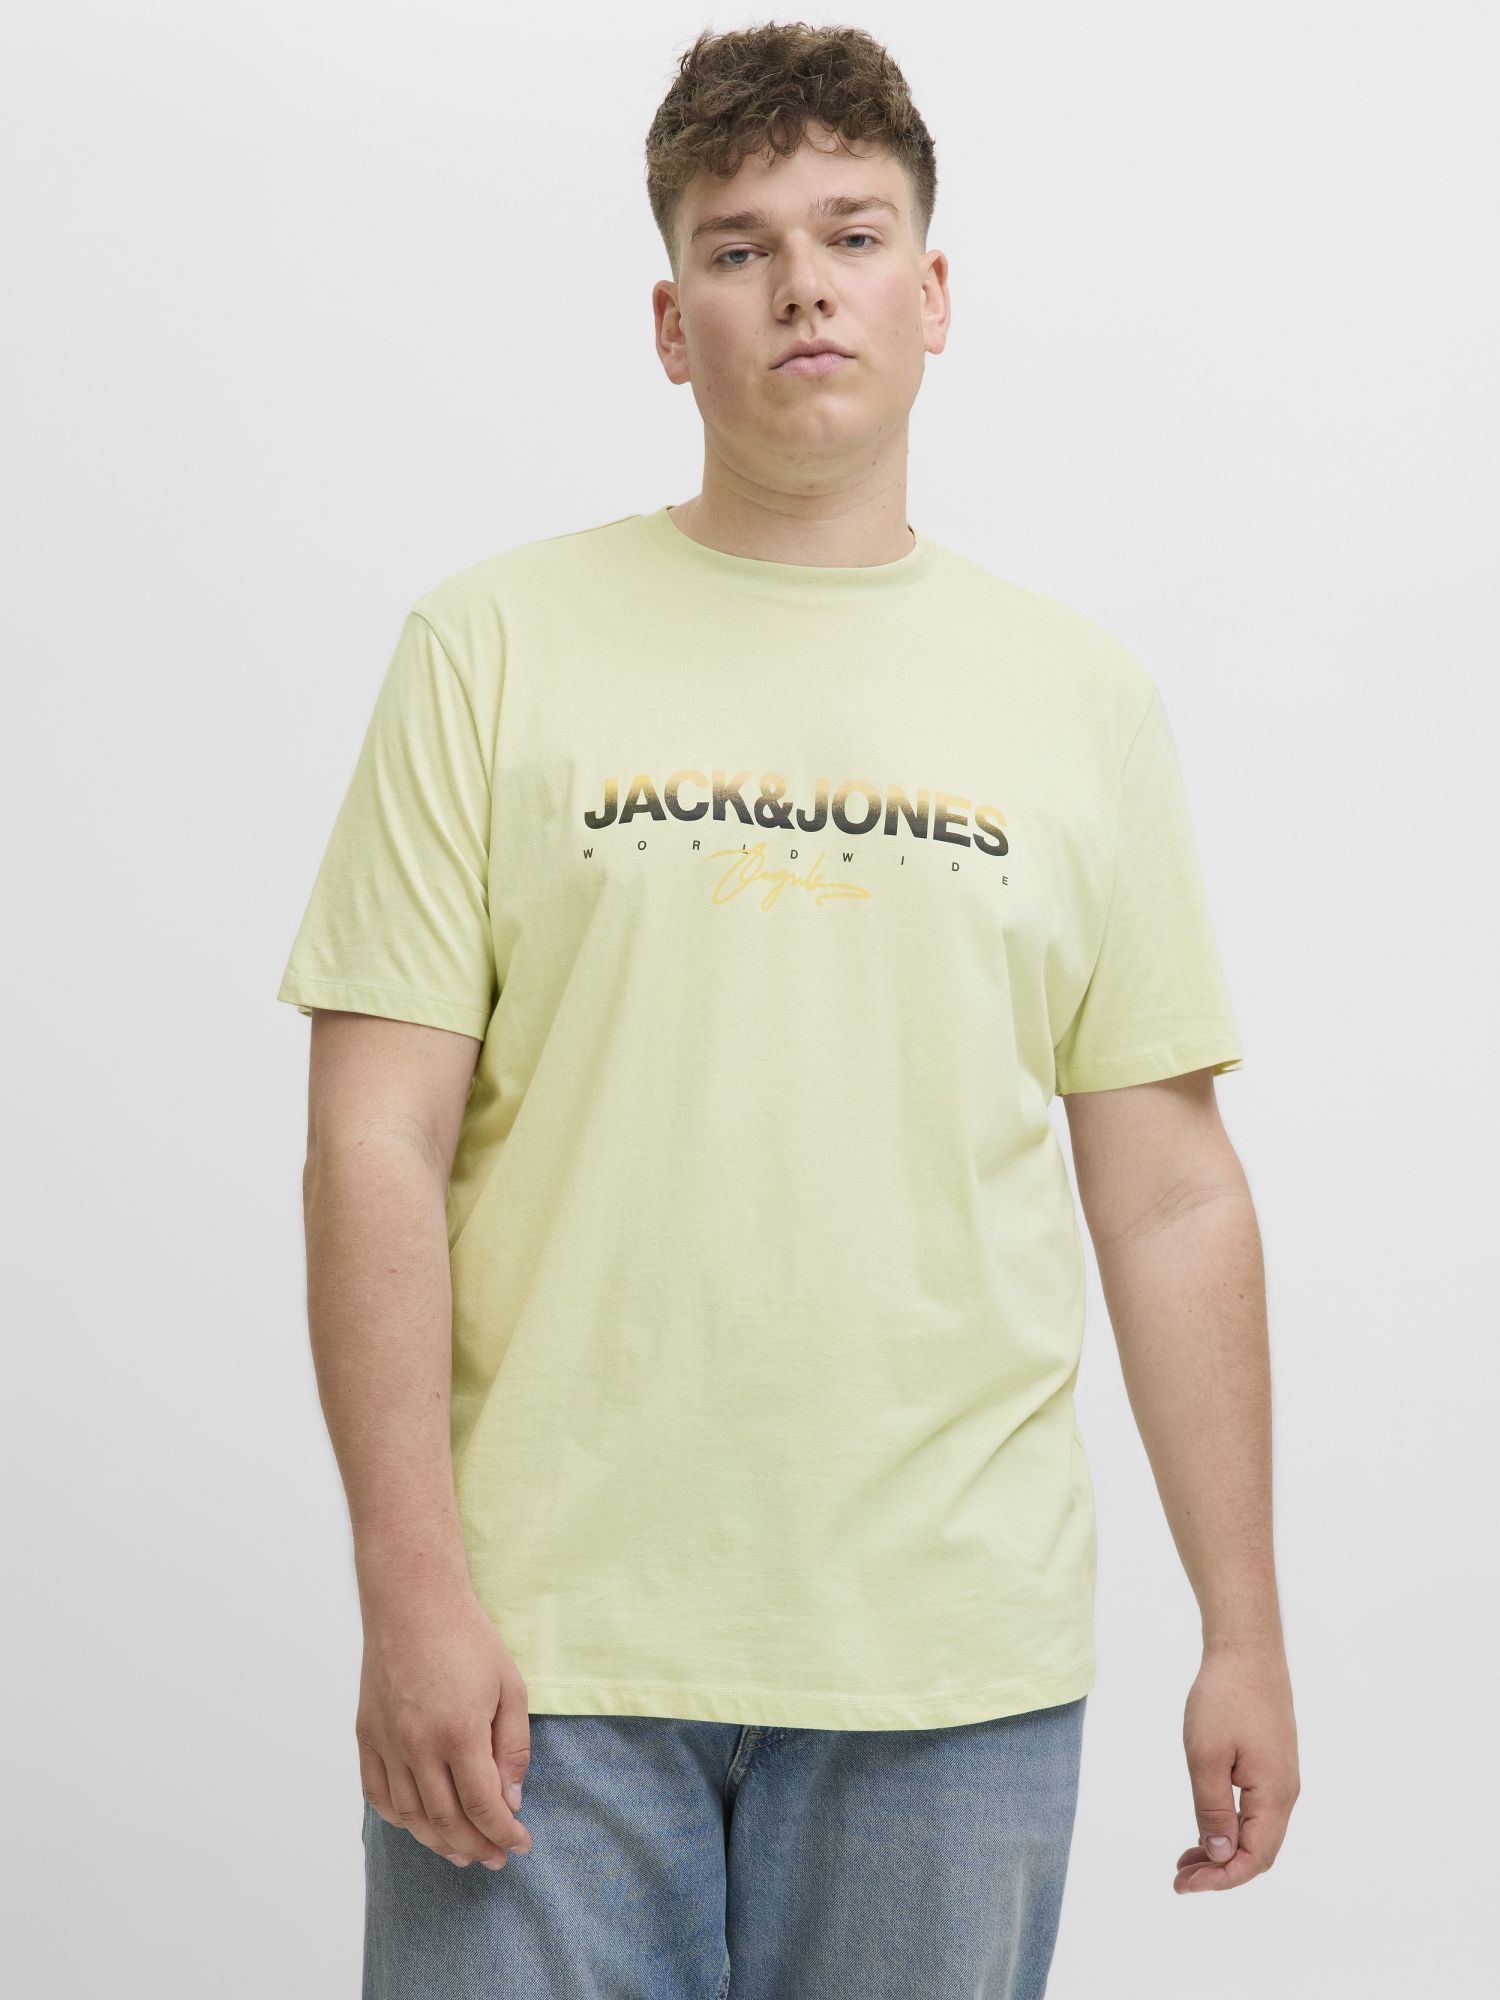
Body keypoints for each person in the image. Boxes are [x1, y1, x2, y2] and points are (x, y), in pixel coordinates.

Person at [277, 21, 1300, 1998]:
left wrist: (1241, 1625)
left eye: (852, 234)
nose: (803, 286)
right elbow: (369, 1140)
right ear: (675, 325)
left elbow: (1173, 1195)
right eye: (740, 249)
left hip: (953, 1664)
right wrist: (410, 1586)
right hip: (548, 1655)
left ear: (934, 294)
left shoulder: (1080, 700)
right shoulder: (490, 648)